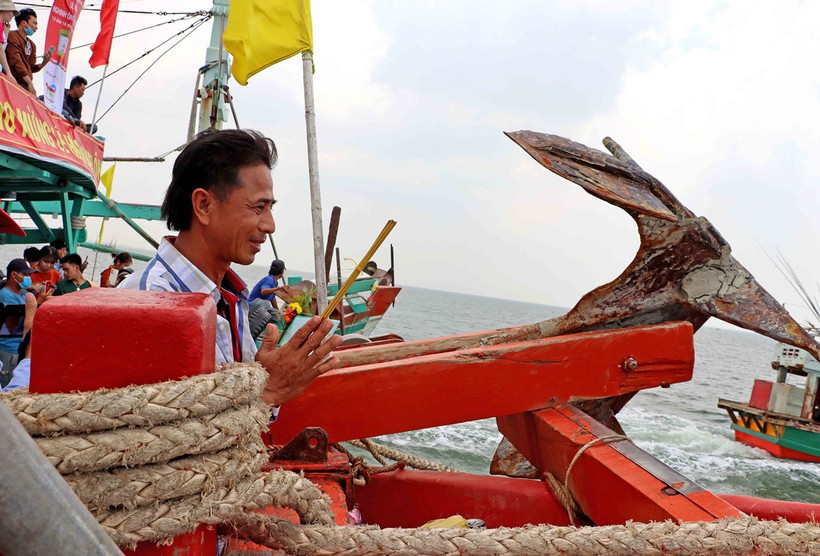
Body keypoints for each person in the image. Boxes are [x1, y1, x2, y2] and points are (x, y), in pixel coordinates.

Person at [119, 129, 342, 411]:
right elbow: (165, 432)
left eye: (270, 208)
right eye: (258, 207)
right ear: (204, 205)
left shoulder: (230, 300)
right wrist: (269, 390)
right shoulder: (153, 301)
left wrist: (263, 383)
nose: (270, 225)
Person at [0, 258, 32, 386]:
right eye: (25, 274)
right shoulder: (5, 296)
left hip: (19, 348)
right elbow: (21, 321)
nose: (29, 278)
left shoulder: (24, 293)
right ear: (14, 275)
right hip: (7, 348)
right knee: (6, 383)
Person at [6, 8, 51, 96]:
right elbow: (15, 61)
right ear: (23, 23)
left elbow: (30, 67)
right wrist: (30, 83)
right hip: (13, 82)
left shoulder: (32, 45)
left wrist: (42, 64)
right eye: (34, 23)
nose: (36, 27)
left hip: (25, 84)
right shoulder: (12, 36)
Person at [0, 1, 19, 77]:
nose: (12, 15)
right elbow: (0, 49)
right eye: (12, 11)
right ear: (4, 10)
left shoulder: (2, 26)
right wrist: (8, 73)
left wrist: (6, 33)